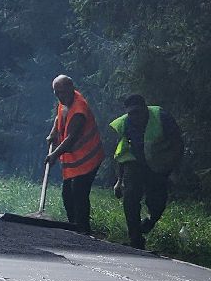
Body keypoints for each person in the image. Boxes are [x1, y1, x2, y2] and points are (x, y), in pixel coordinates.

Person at [109, 94, 184, 250]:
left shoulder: (161, 117)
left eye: (137, 112)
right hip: (135, 164)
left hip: (159, 165)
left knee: (157, 202)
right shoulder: (125, 124)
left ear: (145, 109)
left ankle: (149, 221)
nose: (134, 117)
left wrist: (174, 169)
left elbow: (177, 143)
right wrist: (119, 180)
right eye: (131, 113)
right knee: (130, 198)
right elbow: (121, 152)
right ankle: (135, 239)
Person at [46, 74, 104, 235]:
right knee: (67, 194)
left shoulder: (79, 110)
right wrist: (53, 133)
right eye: (56, 93)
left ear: (71, 89)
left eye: (62, 92)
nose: (60, 96)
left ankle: (83, 230)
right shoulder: (65, 100)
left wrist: (54, 155)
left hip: (89, 158)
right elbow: (60, 115)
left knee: (79, 193)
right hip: (75, 160)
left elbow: (71, 139)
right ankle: (74, 227)